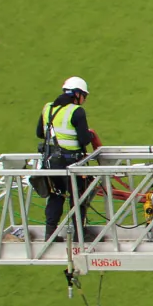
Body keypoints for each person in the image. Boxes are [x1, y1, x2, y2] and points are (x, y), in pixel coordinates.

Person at [36, 75, 99, 239]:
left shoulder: (48, 108)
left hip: (50, 163)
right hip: (71, 163)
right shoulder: (76, 111)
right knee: (78, 197)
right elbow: (84, 139)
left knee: (56, 196)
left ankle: (50, 233)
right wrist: (91, 135)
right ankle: (79, 233)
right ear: (78, 94)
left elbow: (39, 133)